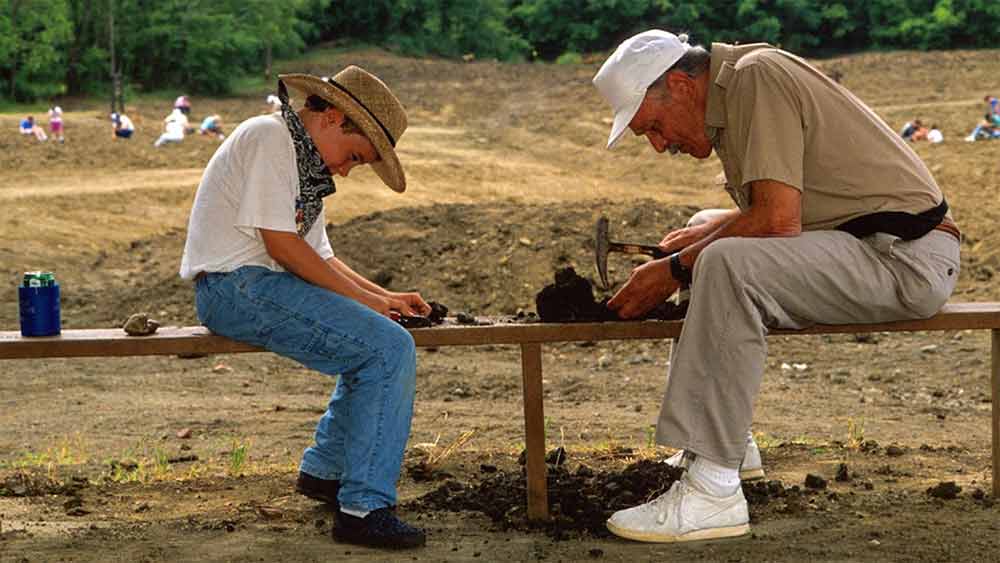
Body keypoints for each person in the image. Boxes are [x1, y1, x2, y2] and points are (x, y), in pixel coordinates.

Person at [593, 30, 960, 544]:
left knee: (724, 262)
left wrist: (673, 269)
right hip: (877, 245)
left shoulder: (755, 79)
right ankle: (726, 445)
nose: (659, 144)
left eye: (653, 126)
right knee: (705, 232)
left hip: (905, 258)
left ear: (679, 85)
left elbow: (777, 220)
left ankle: (713, 492)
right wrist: (706, 233)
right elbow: (792, 205)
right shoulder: (737, 84)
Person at [179, 66, 428, 549]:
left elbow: (320, 257)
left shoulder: (303, 162)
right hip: (235, 288)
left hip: (255, 287)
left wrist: (385, 298)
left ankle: (325, 471)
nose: (346, 171)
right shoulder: (269, 137)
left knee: (374, 346)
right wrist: (371, 306)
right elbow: (283, 247)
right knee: (388, 349)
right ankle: (363, 509)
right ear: (333, 117)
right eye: (354, 157)